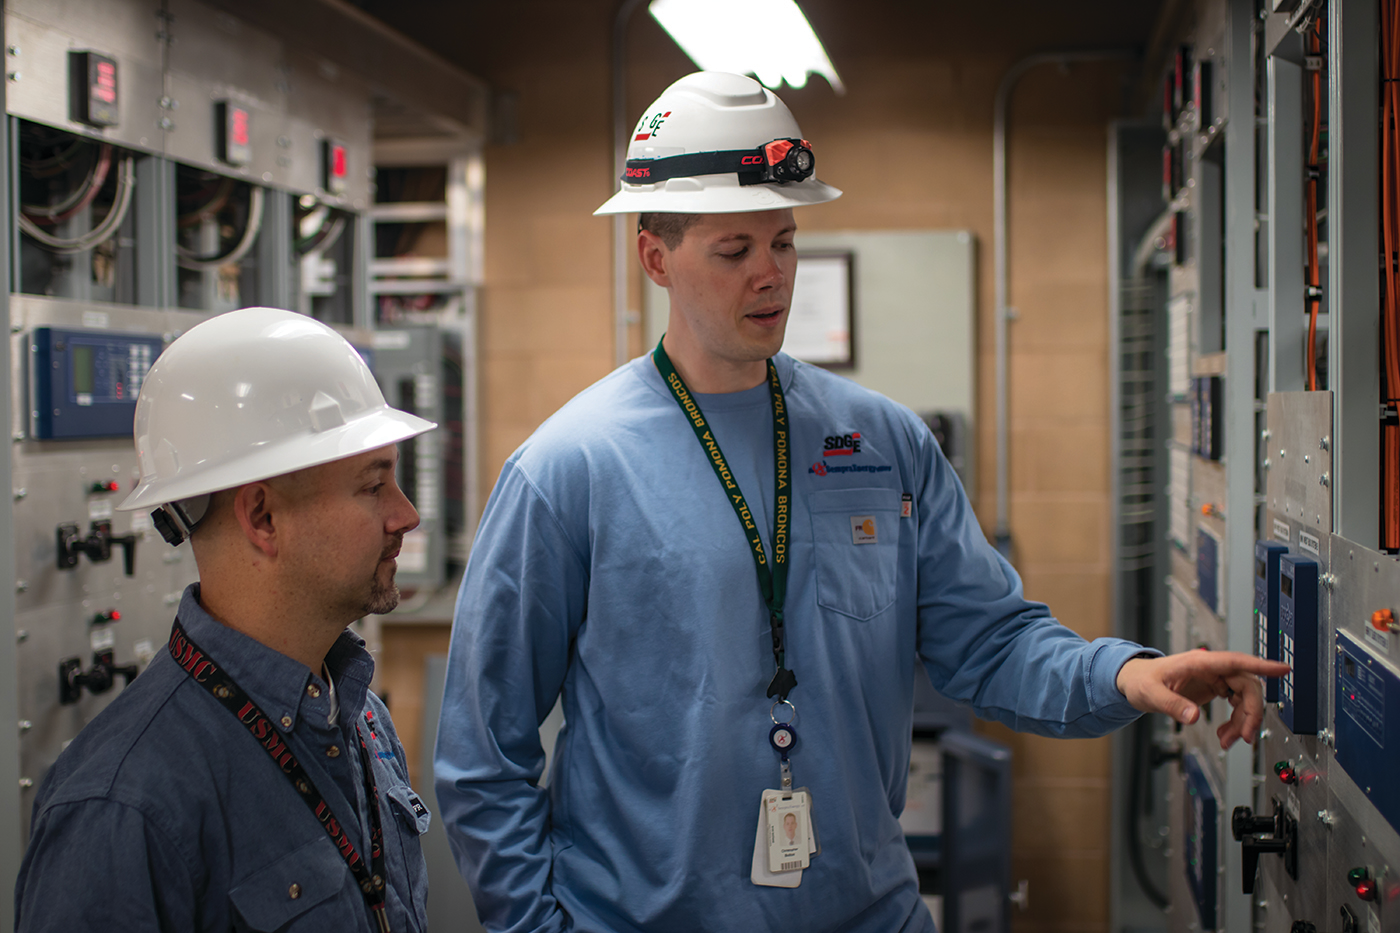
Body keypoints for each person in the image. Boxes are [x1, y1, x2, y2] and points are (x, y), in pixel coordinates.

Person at [433, 72, 1288, 933]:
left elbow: (988, 640)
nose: (770, 276)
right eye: (735, 251)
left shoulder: (880, 440)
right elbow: (482, 756)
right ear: (656, 256)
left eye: (786, 243)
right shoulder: (565, 469)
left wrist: (1125, 673)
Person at [16, 307, 436, 932]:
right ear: (262, 518)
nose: (406, 516)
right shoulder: (121, 807)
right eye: (374, 487)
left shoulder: (360, 718)